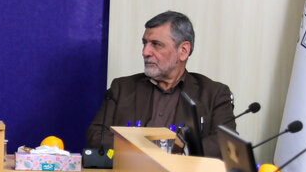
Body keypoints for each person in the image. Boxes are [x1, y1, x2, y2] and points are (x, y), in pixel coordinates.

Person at [86, 11, 237, 157]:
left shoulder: (214, 94)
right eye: (145, 43)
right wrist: (147, 151)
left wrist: (175, 152)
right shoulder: (122, 88)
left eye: (156, 44)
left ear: (183, 51)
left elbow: (226, 143)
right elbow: (95, 136)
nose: (145, 52)